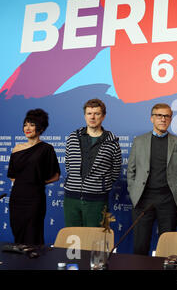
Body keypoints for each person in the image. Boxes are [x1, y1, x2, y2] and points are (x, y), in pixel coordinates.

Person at [127, 103, 177, 255]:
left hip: (168, 200)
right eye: (159, 115)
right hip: (143, 199)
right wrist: (134, 194)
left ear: (171, 119)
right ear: (152, 118)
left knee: (167, 248)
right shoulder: (139, 141)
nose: (163, 119)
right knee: (140, 246)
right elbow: (131, 170)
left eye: (167, 116)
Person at [64, 99, 121, 227]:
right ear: (85, 116)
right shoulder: (73, 137)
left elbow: (115, 170)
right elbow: (68, 165)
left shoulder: (112, 142)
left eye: (97, 113)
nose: (92, 117)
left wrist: (100, 185)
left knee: (94, 240)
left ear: (103, 116)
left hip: (97, 200)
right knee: (72, 238)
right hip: (71, 198)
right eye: (89, 113)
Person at [7, 109, 60, 245]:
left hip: (35, 199)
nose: (27, 128)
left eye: (32, 124)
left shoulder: (46, 149)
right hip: (16, 198)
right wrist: (23, 183)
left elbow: (55, 176)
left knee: (32, 235)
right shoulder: (16, 148)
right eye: (25, 125)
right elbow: (12, 175)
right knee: (18, 234)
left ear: (40, 128)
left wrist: (36, 182)